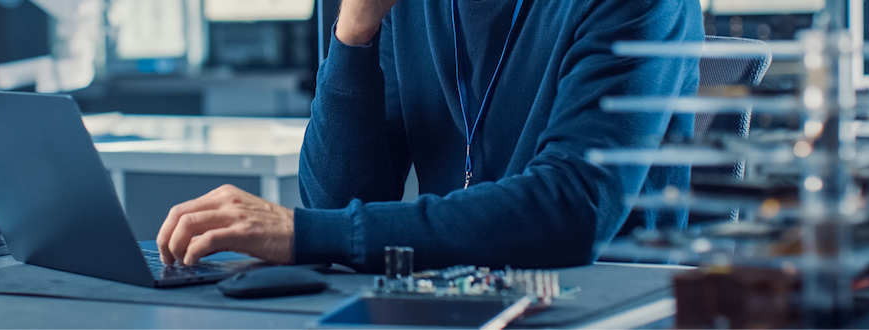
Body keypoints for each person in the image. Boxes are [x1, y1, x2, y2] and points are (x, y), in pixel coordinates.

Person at [156, 0, 702, 272]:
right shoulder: (410, 9)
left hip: (605, 298)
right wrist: (354, 31)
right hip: (458, 292)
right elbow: (341, 199)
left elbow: (572, 209)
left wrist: (302, 234)